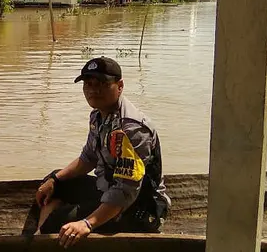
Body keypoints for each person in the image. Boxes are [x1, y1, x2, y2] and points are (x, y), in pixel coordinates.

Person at [35, 57, 170, 249]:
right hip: (108, 189)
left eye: (102, 84)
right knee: (54, 183)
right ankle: (41, 234)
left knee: (57, 224)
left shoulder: (131, 129)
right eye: (88, 84)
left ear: (120, 85)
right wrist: (55, 180)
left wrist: (86, 223)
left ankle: (45, 236)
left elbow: (125, 191)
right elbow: (88, 158)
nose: (93, 90)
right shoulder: (98, 115)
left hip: (139, 208)